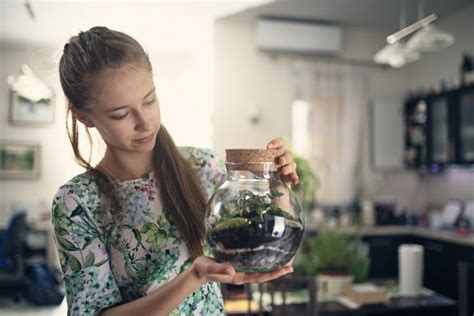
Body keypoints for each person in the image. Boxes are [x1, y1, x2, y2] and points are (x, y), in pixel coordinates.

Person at [52, 26, 299, 316]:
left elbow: (265, 236)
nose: (144, 122)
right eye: (120, 114)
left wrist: (278, 185)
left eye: (149, 100)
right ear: (83, 116)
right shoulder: (77, 204)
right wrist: (194, 277)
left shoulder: (203, 167)